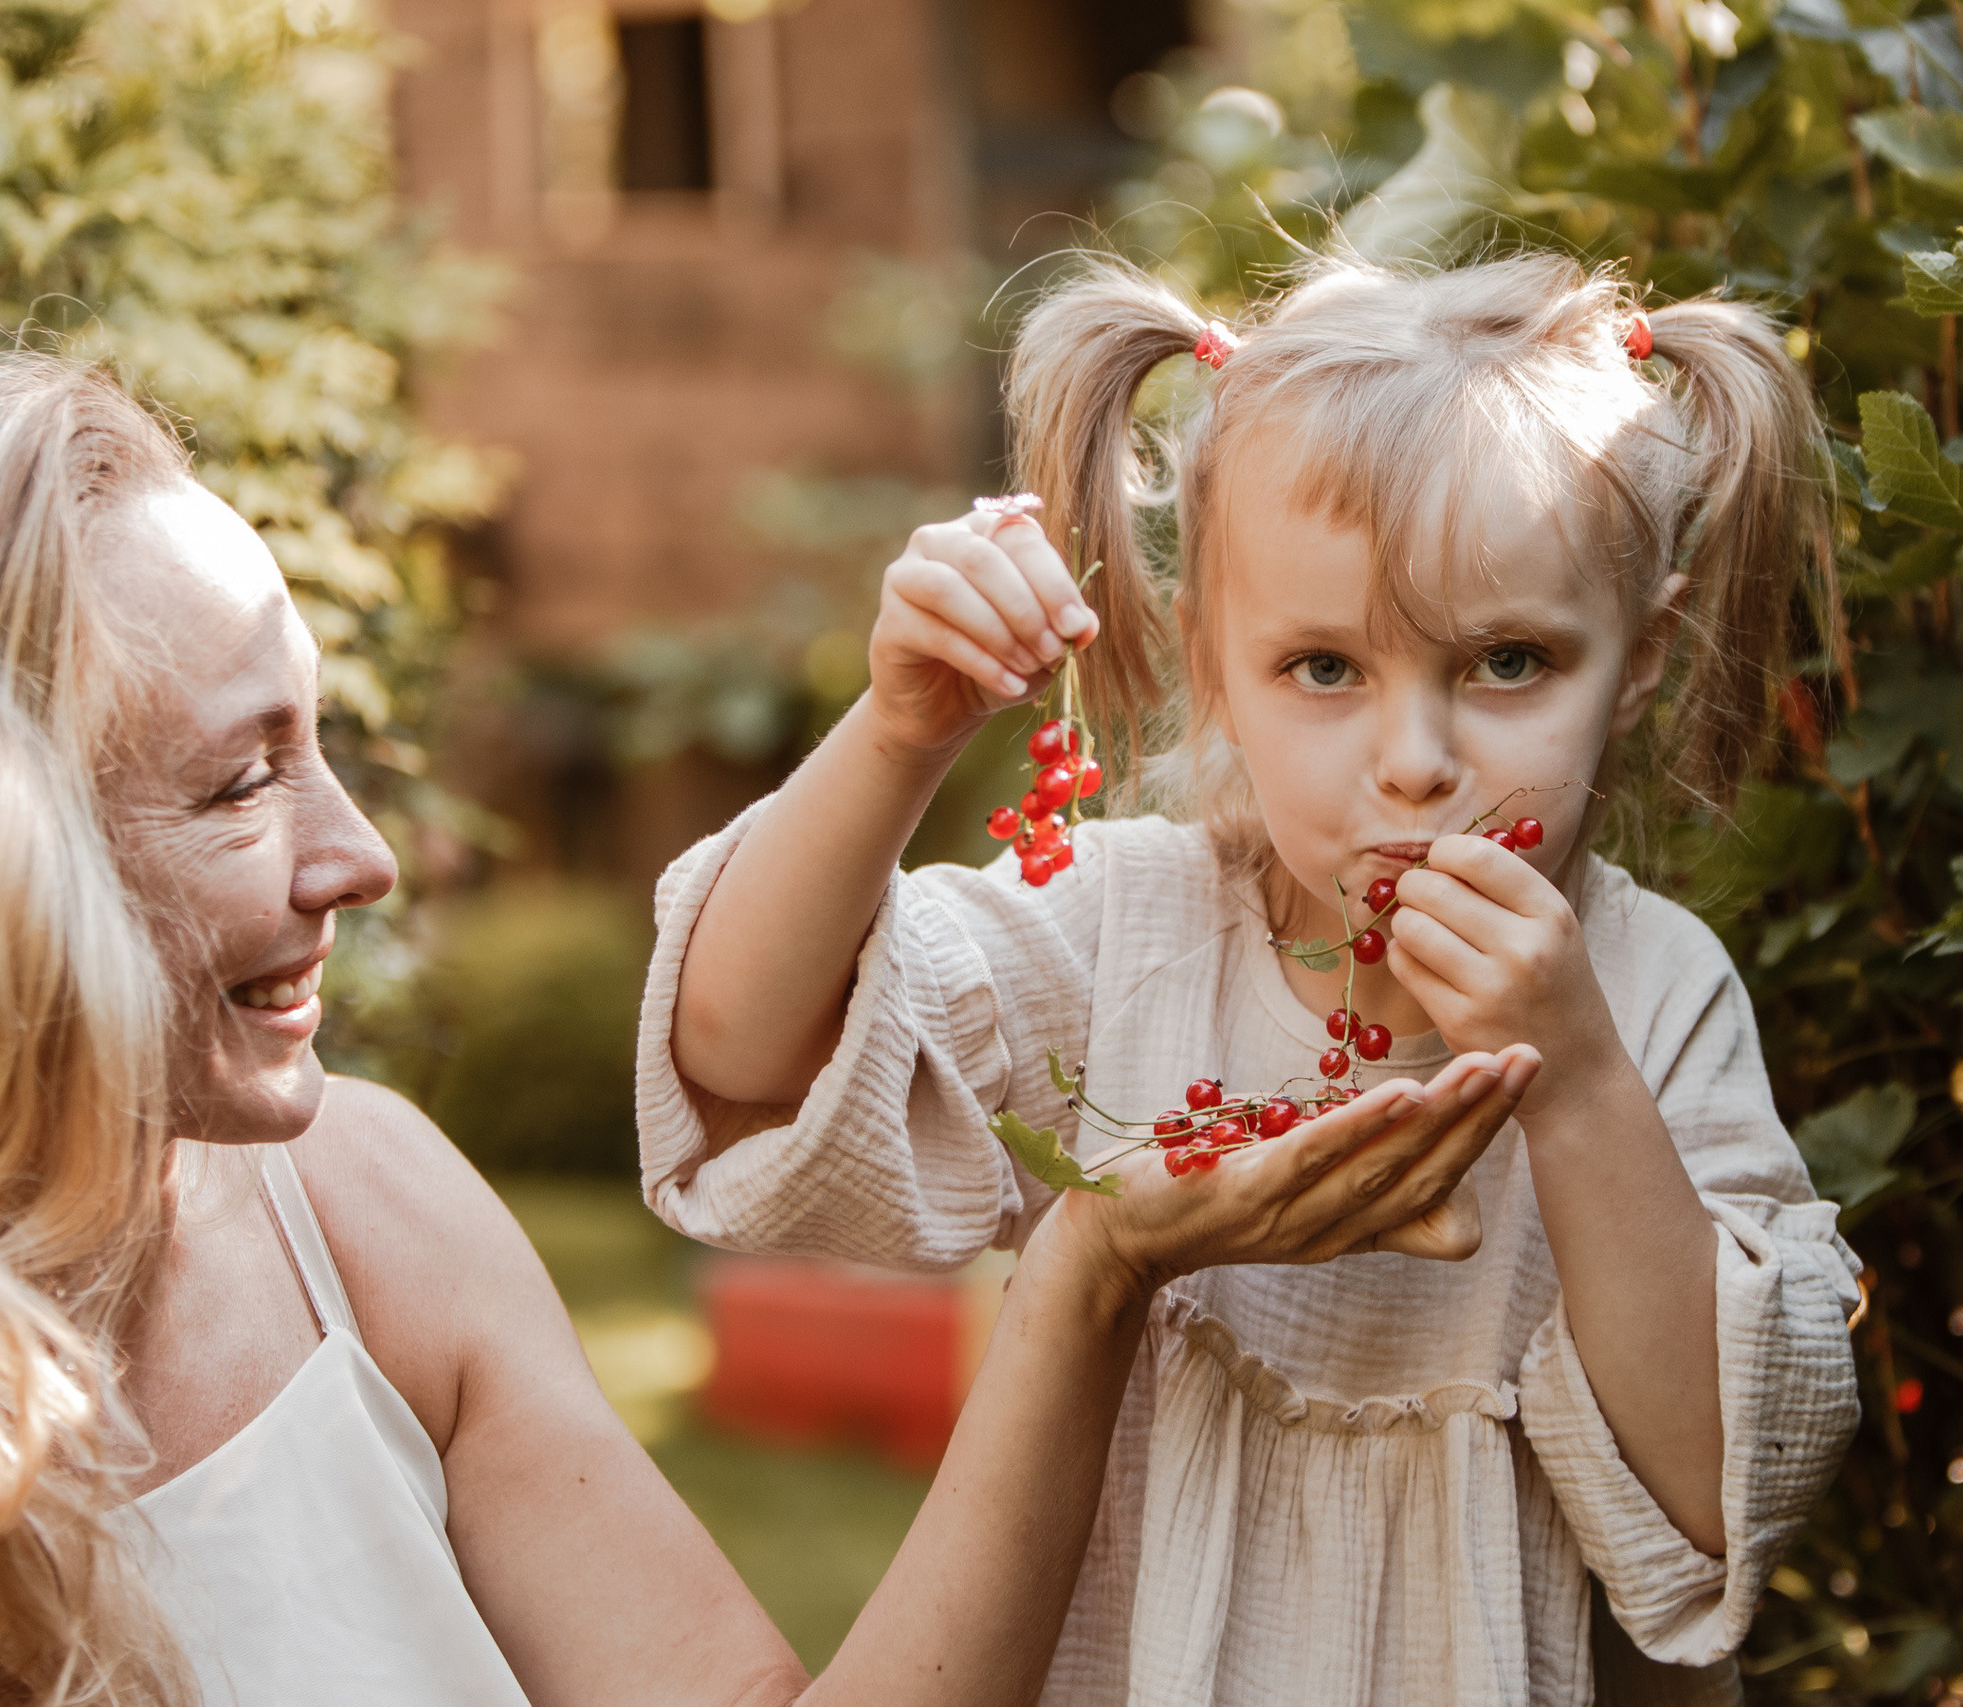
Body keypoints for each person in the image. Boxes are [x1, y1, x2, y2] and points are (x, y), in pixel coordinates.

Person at [0, 355, 1534, 1707]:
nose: (359, 857)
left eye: (320, 741)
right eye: (240, 782)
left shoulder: (361, 1208)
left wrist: (1089, 1273)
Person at [645, 252, 1865, 1705]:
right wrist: (902, 732)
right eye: (1326, 670)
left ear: (1645, 657)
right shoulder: (1125, 937)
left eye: (1510, 661)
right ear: (1211, 663)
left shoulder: (1652, 993)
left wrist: (1584, 1082)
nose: (1416, 762)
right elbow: (739, 1047)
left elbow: (1719, 1501)